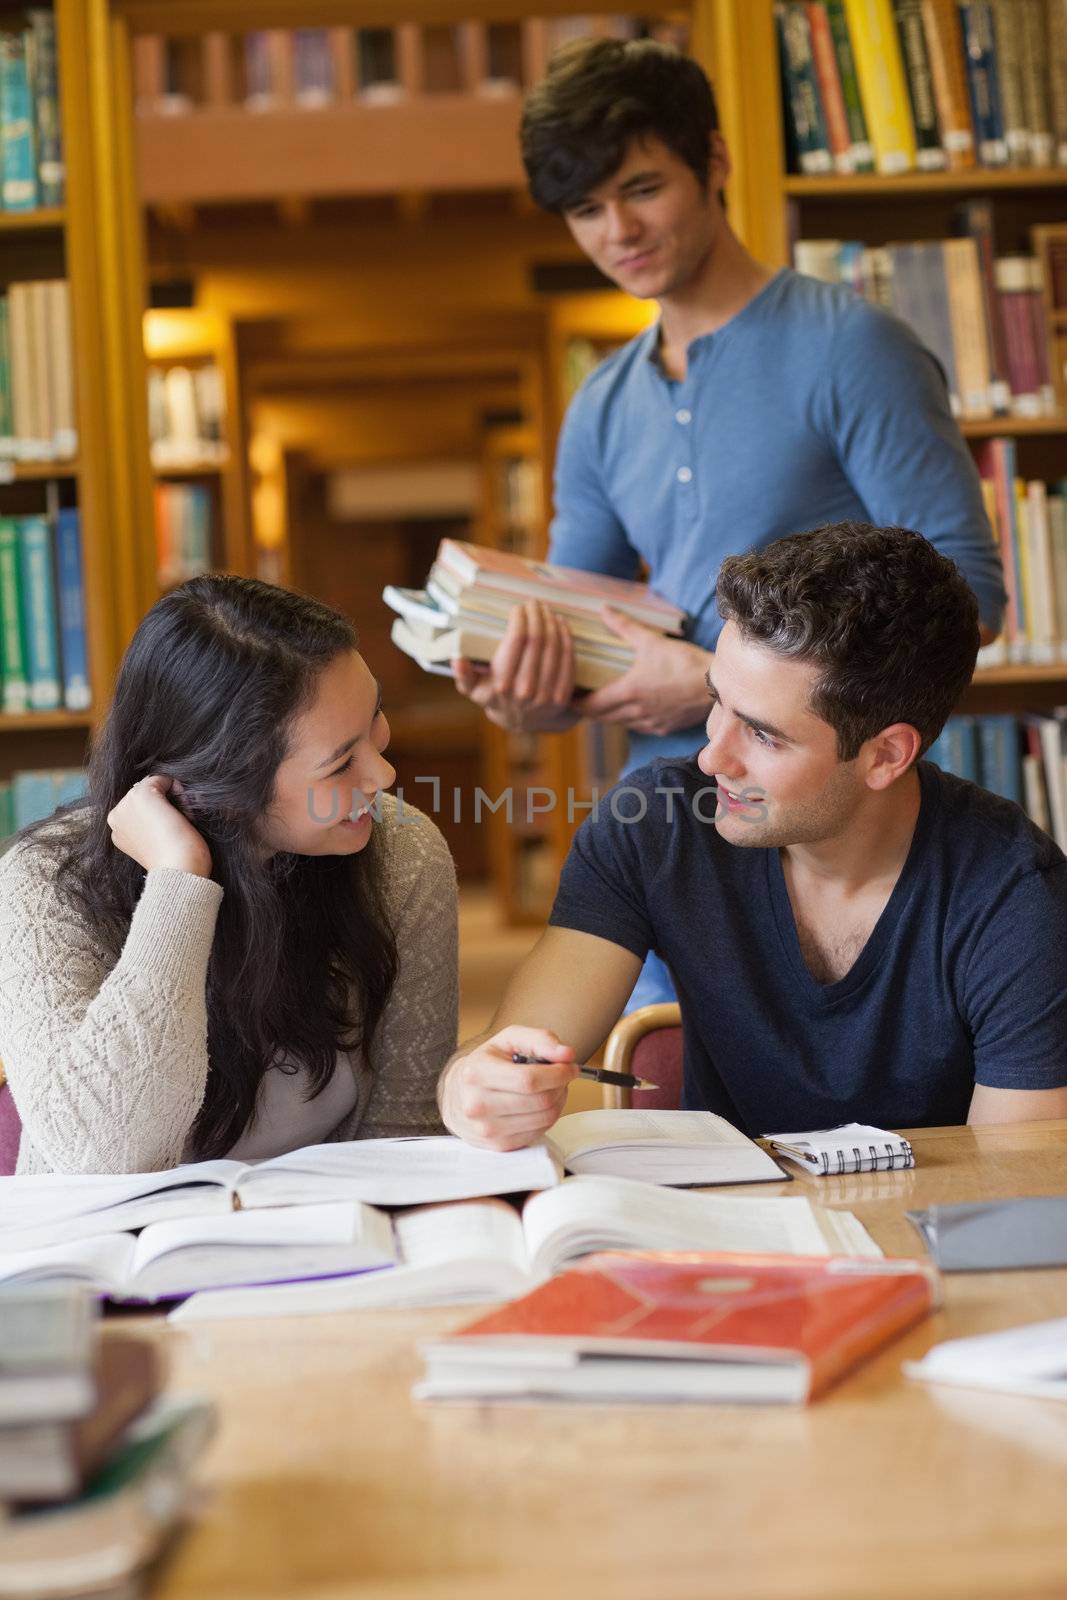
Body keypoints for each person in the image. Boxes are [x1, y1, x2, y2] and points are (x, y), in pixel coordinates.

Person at [454, 37, 1007, 1007]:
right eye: (584, 210)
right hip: (673, 842)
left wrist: (708, 679)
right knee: (660, 1118)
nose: (615, 230)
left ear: (712, 161)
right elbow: (576, 630)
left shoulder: (852, 347)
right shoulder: (599, 405)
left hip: (843, 838)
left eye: (640, 188)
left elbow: (967, 598)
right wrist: (517, 688)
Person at [439, 522, 1067, 1150]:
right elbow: (506, 1049)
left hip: (921, 1238)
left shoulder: (1015, 896)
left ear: (886, 756)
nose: (713, 758)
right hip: (718, 1228)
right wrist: (469, 1087)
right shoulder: (652, 824)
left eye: (764, 735)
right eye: (718, 701)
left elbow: (1009, 1186)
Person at [0, 576, 457, 1175]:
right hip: (113, 1250)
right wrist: (179, 885)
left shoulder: (404, 857)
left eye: (375, 719)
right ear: (222, 786)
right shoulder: (42, 884)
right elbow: (101, 1156)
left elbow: (405, 1140)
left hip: (334, 1237)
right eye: (341, 762)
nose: (384, 776)